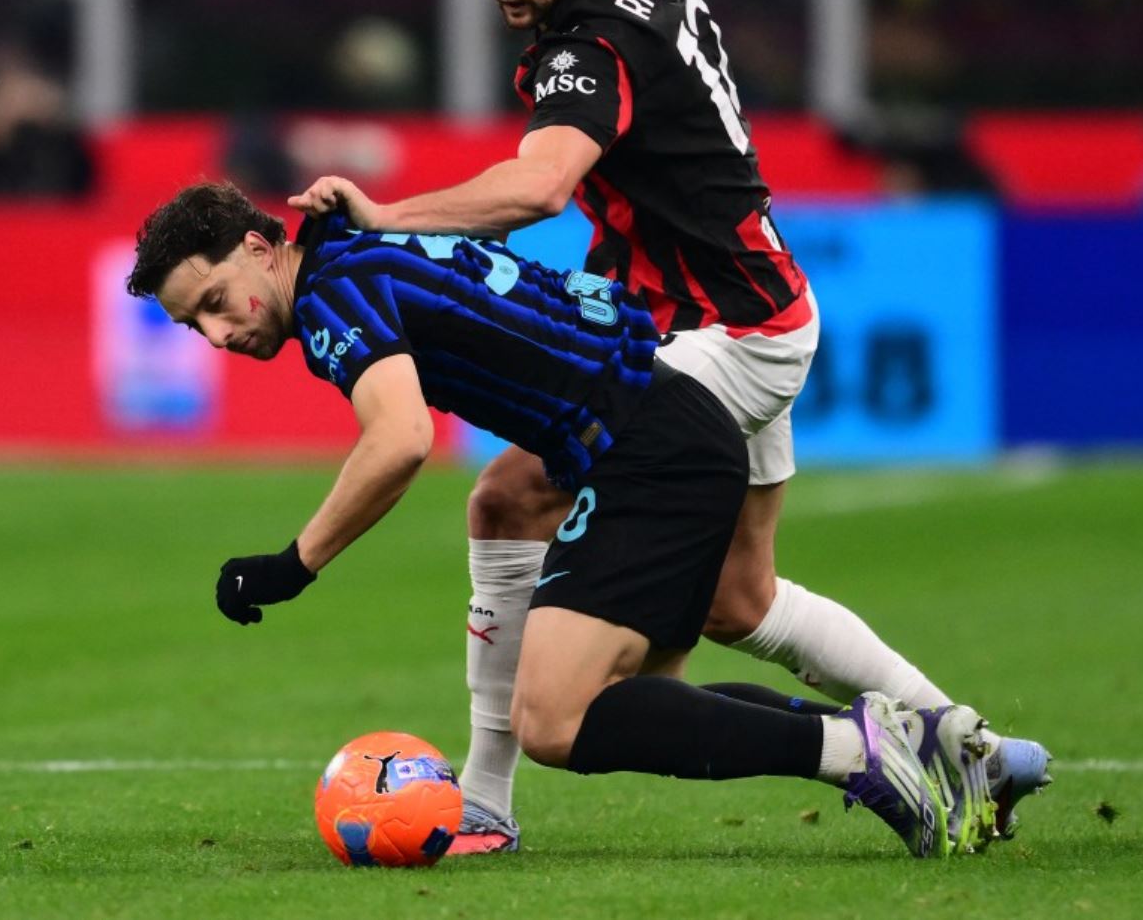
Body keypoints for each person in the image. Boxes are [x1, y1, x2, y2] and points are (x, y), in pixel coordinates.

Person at [287, 0, 1049, 851]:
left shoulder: (590, 48)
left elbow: (539, 186)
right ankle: (971, 742)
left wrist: (386, 216)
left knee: (507, 499)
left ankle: (485, 797)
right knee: (742, 599)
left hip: (715, 336)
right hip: (762, 308)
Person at [126, 182, 1003, 859]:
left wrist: (294, 563)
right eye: (192, 325)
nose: (217, 334)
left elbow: (400, 440)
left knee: (555, 721)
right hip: (662, 430)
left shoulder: (332, 294)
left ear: (259, 247)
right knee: (629, 699)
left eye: (214, 301)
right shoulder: (361, 251)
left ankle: (859, 749)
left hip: (650, 449)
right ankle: (902, 738)